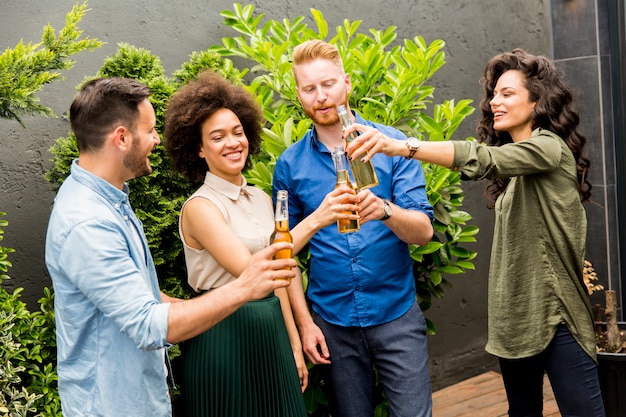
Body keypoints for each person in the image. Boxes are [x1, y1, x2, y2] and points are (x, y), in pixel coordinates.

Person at [346, 48, 606, 417]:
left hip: (556, 315)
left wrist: (399, 146)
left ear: (538, 100)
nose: (494, 102)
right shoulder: (516, 171)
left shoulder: (551, 149)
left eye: (507, 93)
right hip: (514, 320)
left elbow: (484, 158)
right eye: (494, 93)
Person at [44, 77, 296, 417]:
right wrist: (244, 288)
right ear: (121, 138)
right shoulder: (88, 223)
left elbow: (141, 296)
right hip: (114, 407)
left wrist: (213, 314)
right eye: (149, 131)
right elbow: (149, 324)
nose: (156, 139)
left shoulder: (110, 202)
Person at [272, 40, 435, 417]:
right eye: (310, 88)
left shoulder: (390, 145)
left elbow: (423, 232)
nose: (321, 96)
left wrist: (383, 209)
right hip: (332, 323)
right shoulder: (289, 164)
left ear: (346, 83)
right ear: (299, 94)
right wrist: (305, 324)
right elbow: (283, 253)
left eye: (328, 84)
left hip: (395, 312)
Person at [163, 72, 330, 417]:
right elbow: (255, 270)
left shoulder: (260, 198)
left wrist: (295, 346)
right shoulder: (200, 208)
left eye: (238, 132)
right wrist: (317, 218)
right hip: (222, 336)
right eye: (218, 136)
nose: (233, 142)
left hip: (270, 333)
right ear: (198, 148)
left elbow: (281, 276)